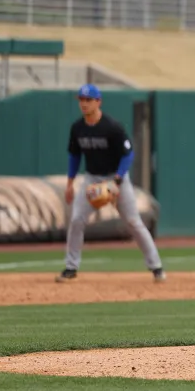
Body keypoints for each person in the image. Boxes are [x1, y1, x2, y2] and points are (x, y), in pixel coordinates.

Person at [56, 84, 166, 283]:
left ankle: (156, 267)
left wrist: (117, 180)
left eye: (88, 100)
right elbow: (74, 156)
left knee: (133, 222)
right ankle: (71, 267)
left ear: (99, 102)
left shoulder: (111, 127)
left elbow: (128, 154)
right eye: (81, 99)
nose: (84, 104)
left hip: (116, 178)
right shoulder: (77, 128)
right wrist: (70, 183)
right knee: (76, 220)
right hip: (91, 179)